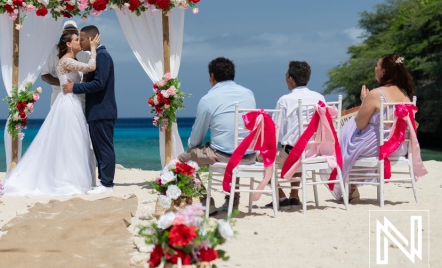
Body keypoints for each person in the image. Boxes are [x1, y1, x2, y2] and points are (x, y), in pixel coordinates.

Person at [4, 30, 100, 196]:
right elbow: (92, 66)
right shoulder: (67, 61)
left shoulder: (71, 60)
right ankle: (68, 180)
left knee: (73, 141)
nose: (79, 42)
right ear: (69, 44)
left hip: (72, 102)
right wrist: (93, 48)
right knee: (71, 141)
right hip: (69, 104)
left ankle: (73, 178)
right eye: (77, 40)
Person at [176, 57, 256, 213]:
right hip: (250, 155)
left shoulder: (208, 99)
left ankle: (207, 201)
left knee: (182, 160)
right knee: (237, 146)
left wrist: (193, 149)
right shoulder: (248, 94)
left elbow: (197, 135)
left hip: (224, 156)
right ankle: (233, 202)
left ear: (212, 76)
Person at [334, 54, 416, 202]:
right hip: (400, 146)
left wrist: (365, 102)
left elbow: (360, 123)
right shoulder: (405, 95)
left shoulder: (376, 94)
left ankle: (351, 186)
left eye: (377, 66)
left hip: (380, 146)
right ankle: (351, 186)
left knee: (350, 127)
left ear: (383, 71)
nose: (375, 69)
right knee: (352, 130)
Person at [61, 25, 117, 195]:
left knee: (104, 147)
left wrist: (75, 88)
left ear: (92, 39)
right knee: (100, 147)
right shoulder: (97, 56)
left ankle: (107, 184)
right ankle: (104, 182)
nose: (81, 42)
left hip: (102, 110)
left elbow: (99, 83)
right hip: (96, 111)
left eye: (82, 38)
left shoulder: (102, 56)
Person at [268, 61, 325, 209]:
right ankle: (294, 194)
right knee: (299, 146)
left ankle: (281, 197)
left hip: (293, 153)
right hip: (313, 152)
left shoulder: (284, 100)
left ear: (291, 79)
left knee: (261, 158)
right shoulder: (319, 98)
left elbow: (275, 132)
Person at [41, 20, 90, 106]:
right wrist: (63, 84)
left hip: (80, 95)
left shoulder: (85, 52)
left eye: (73, 32)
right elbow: (44, 75)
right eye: (68, 32)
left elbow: (90, 74)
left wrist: (77, 84)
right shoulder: (54, 51)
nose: (71, 34)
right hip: (59, 95)